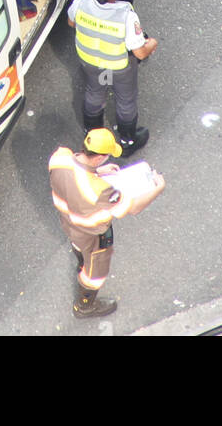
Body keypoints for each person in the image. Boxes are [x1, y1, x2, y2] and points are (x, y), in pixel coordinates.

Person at [48, 127, 166, 318]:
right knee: (95, 274)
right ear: (99, 157)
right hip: (92, 235)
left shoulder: (59, 157)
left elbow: (77, 171)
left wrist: (97, 171)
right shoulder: (100, 190)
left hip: (69, 223)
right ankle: (85, 306)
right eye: (107, 156)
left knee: (79, 250)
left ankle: (81, 262)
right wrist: (158, 189)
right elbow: (133, 207)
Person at [68, 0, 159, 156]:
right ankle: (127, 140)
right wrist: (152, 43)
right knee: (125, 100)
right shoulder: (126, 15)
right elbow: (140, 52)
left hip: (92, 64)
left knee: (95, 92)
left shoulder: (80, 2)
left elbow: (71, 22)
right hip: (118, 68)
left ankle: (92, 132)